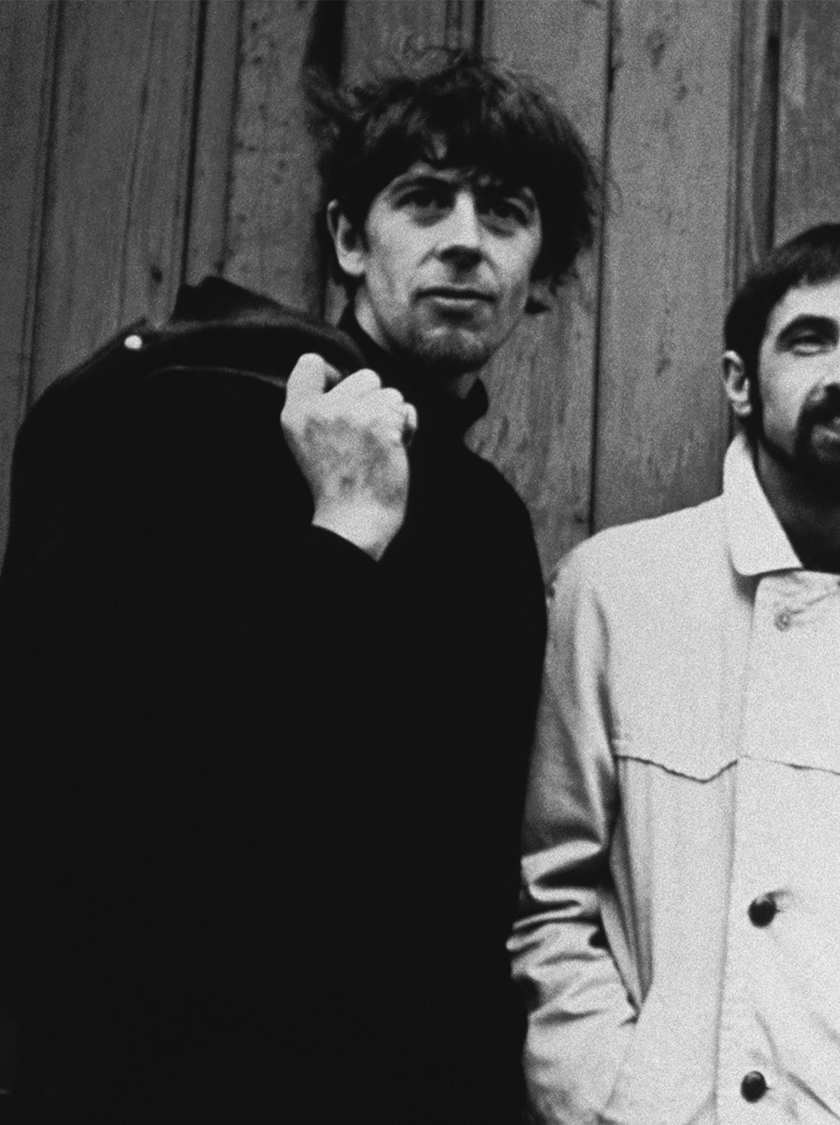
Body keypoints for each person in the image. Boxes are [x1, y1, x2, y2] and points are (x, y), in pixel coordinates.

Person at [0, 50, 599, 1124]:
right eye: (423, 202)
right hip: (169, 1073)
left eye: (504, 213)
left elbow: (461, 874)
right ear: (347, 239)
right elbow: (109, 772)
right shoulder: (193, 416)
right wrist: (343, 531)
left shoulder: (488, 523)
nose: (464, 238)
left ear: (540, 273)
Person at [513, 223, 840, 1125]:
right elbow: (549, 899)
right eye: (810, 338)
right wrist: (614, 1098)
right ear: (738, 380)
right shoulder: (616, 590)